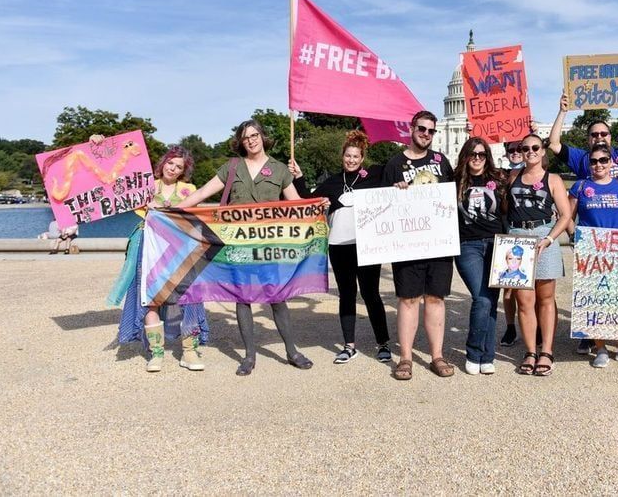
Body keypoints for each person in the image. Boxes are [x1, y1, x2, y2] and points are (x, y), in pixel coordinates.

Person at [176, 119, 315, 376]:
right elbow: (203, 192)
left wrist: (317, 205)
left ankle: (292, 351)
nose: (251, 140)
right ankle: (249, 356)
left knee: (277, 297)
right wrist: (172, 210)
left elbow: (296, 204)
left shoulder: (279, 169)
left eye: (254, 135)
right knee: (243, 298)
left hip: (270, 246)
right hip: (238, 244)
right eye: (245, 137)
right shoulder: (232, 167)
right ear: (241, 142)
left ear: (262, 136)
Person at [548, 85, 618, 355]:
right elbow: (553, 144)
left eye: (604, 133)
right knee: (593, 288)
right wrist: (563, 111)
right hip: (593, 236)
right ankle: (591, 335)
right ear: (588, 139)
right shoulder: (582, 159)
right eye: (594, 134)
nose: (600, 137)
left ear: (611, 137)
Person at [290, 130, 391, 365]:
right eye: (348, 156)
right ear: (342, 157)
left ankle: (383, 343)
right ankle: (349, 346)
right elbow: (307, 198)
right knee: (346, 294)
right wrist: (299, 176)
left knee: (371, 294)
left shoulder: (374, 175)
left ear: (362, 158)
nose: (351, 160)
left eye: (356, 156)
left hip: (366, 245)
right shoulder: (333, 182)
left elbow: (395, 175)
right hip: (338, 245)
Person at [110, 145, 209, 372]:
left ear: (183, 171)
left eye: (178, 166)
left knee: (188, 294)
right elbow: (114, 181)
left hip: (178, 246)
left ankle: (189, 351)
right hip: (148, 244)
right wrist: (101, 144)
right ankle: (156, 352)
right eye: (170, 163)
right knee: (150, 296)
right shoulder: (145, 186)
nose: (172, 169)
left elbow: (191, 217)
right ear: (163, 163)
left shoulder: (188, 190)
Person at [382, 110, 456, 381]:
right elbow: (382, 204)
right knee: (408, 299)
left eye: (431, 130)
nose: (426, 134)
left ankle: (437, 355)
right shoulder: (394, 164)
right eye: (422, 129)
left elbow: (452, 196)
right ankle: (406, 358)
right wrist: (395, 192)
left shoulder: (441, 161)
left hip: (438, 241)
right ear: (411, 129)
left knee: (436, 298)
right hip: (408, 243)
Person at [568, 144, 618, 368]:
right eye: (593, 161)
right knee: (595, 300)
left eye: (603, 160)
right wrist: (576, 239)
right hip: (592, 253)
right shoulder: (581, 186)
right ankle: (600, 347)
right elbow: (568, 217)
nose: (598, 165)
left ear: (611, 162)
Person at [506, 133, 572, 376]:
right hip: (517, 236)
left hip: (544, 235)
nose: (530, 152)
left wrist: (550, 238)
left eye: (535, 147)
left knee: (545, 298)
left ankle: (547, 350)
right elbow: (504, 208)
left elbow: (565, 214)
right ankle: (530, 351)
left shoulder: (553, 179)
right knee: (524, 301)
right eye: (525, 148)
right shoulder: (513, 176)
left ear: (543, 151)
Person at [454, 136, 508, 375]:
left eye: (482, 154)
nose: (477, 158)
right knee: (482, 299)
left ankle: (487, 356)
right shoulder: (454, 182)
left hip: (497, 244)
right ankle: (474, 352)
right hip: (468, 246)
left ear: (487, 157)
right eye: (473, 154)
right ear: (465, 156)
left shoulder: (499, 179)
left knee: (491, 301)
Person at [499, 140, 525, 347]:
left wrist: (533, 131)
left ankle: (537, 327)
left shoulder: (536, 170)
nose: (515, 152)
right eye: (511, 150)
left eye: (520, 149)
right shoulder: (501, 175)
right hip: (508, 229)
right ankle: (510, 327)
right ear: (506, 152)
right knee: (508, 286)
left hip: (530, 230)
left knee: (534, 285)